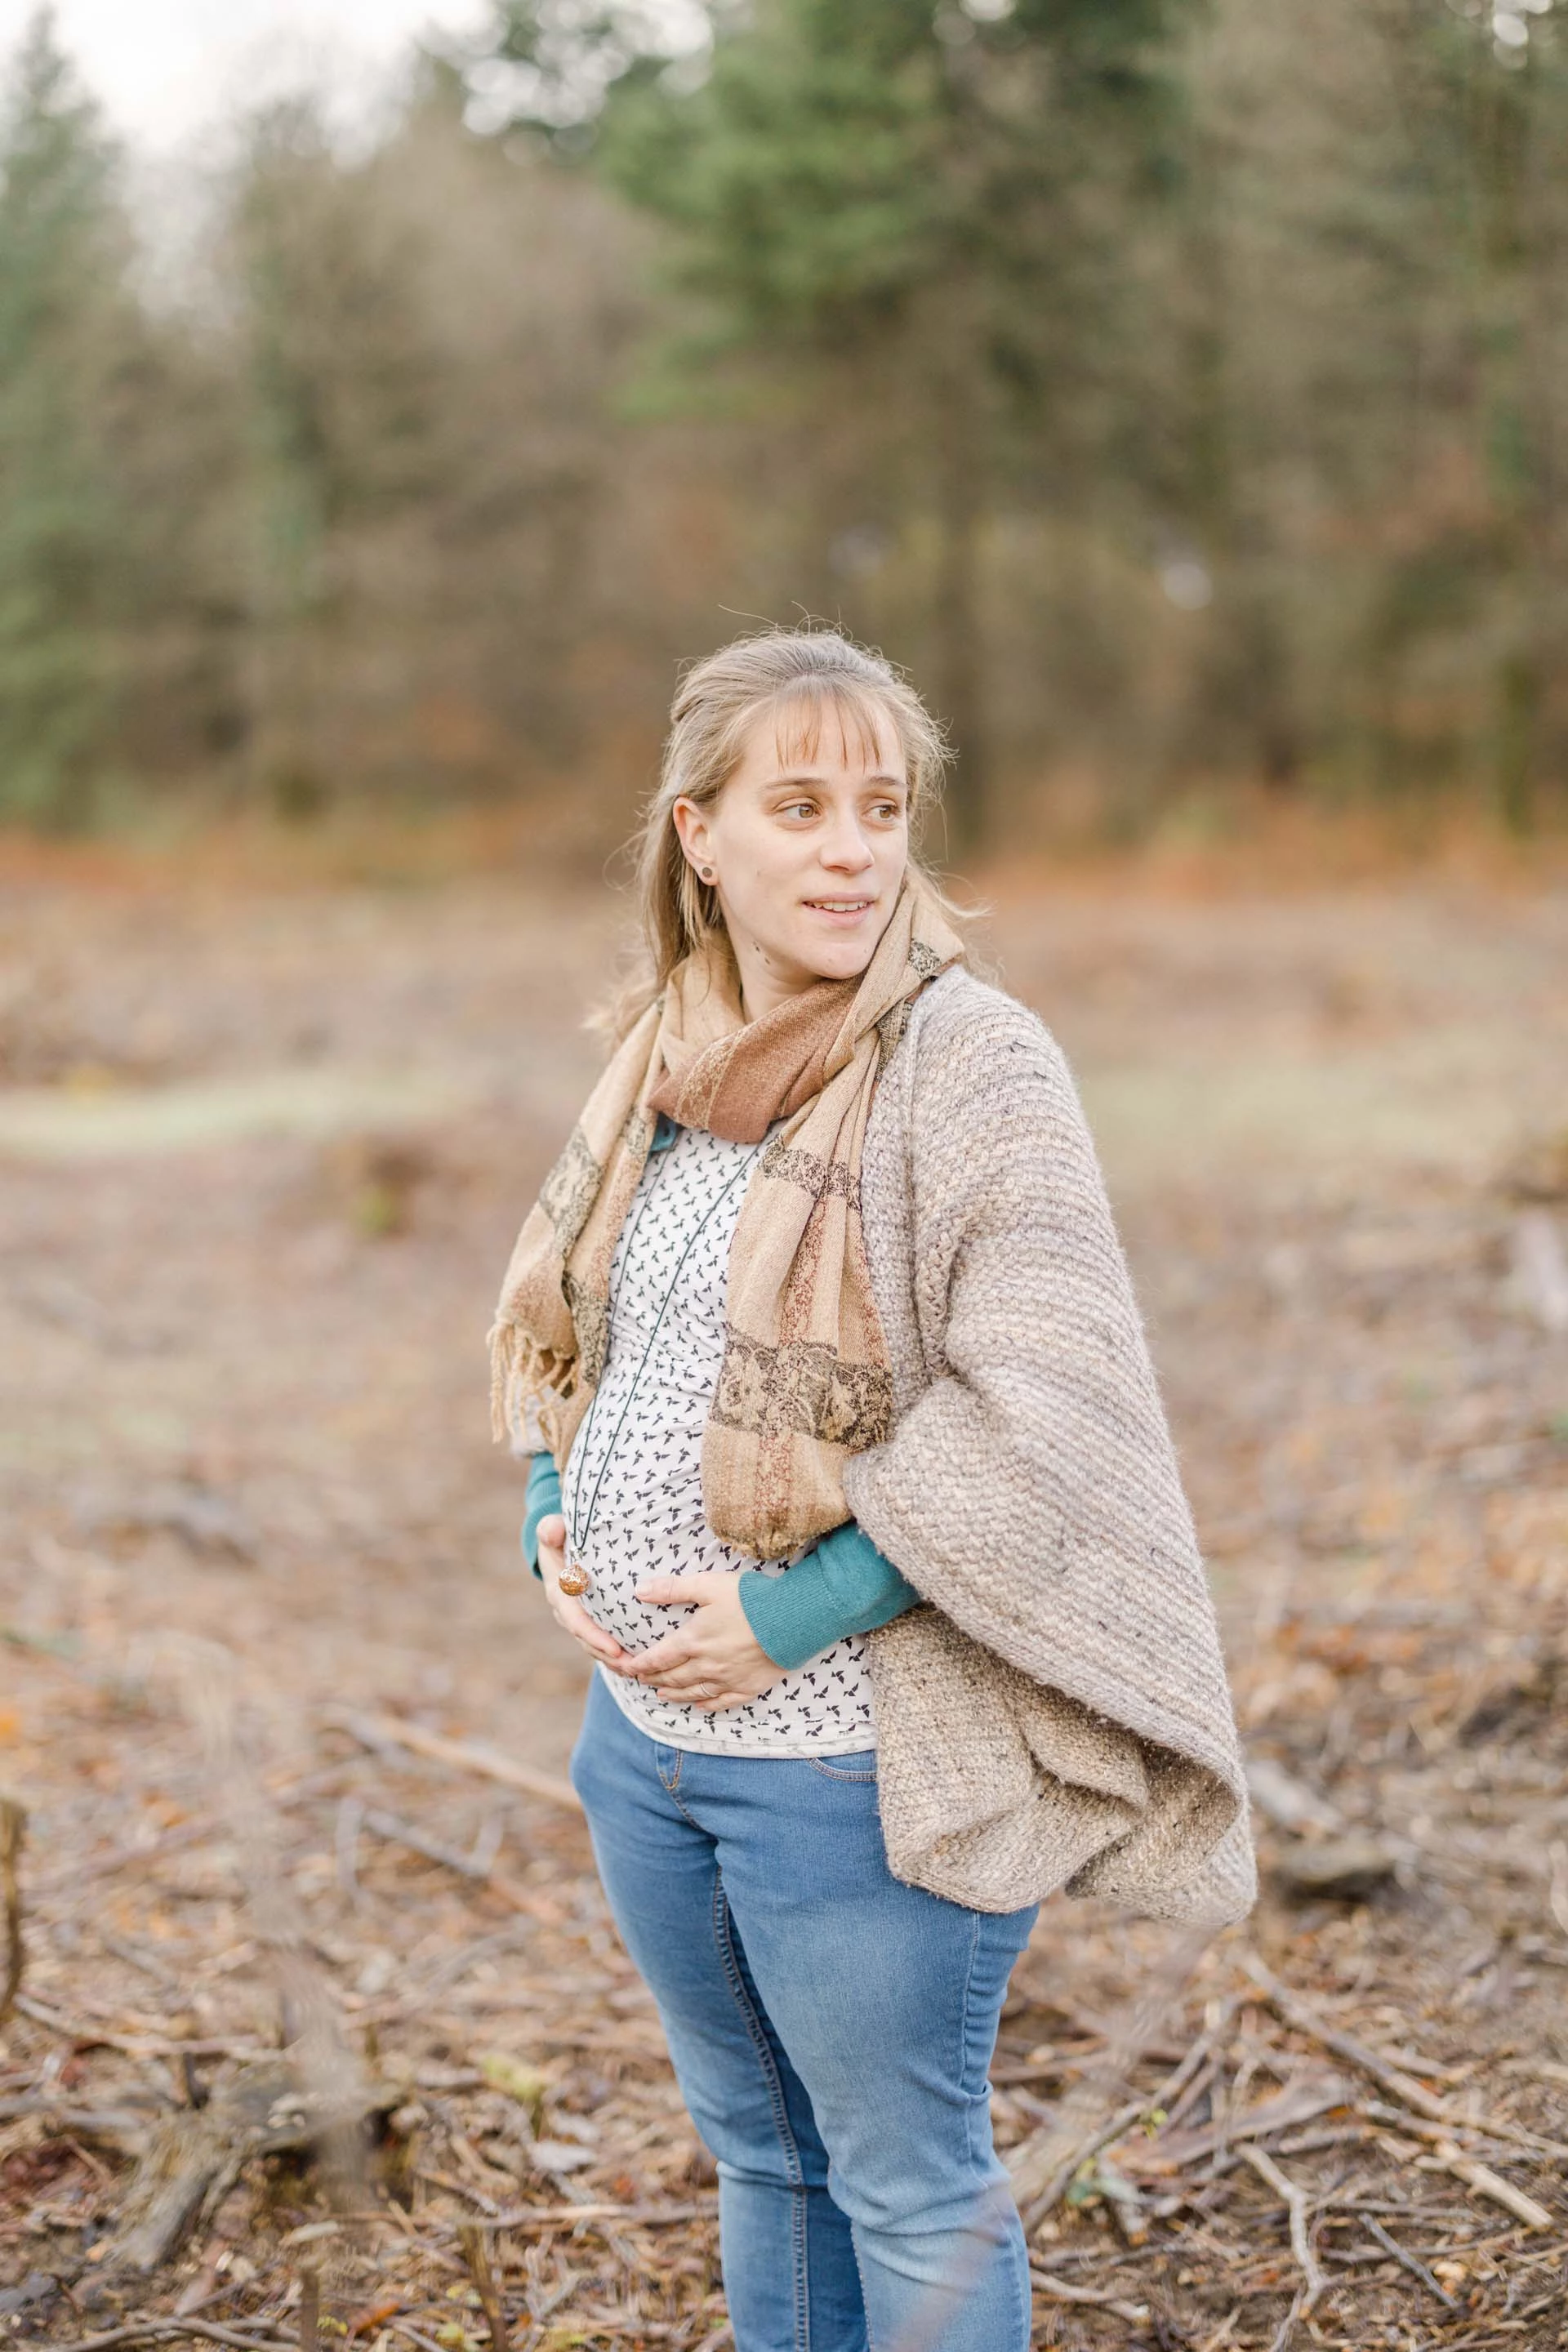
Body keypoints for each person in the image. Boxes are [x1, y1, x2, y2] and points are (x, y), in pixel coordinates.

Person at [488, 626, 1254, 2352]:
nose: (851, 848)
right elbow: (578, 1334)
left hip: (851, 1759)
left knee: (905, 2179)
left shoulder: (970, 1067)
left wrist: (785, 1613)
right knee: (760, 2158)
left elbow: (1039, 1418)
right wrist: (550, 1514)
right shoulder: (663, 1063)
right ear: (701, 834)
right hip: (641, 1752)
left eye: (883, 807)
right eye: (803, 805)